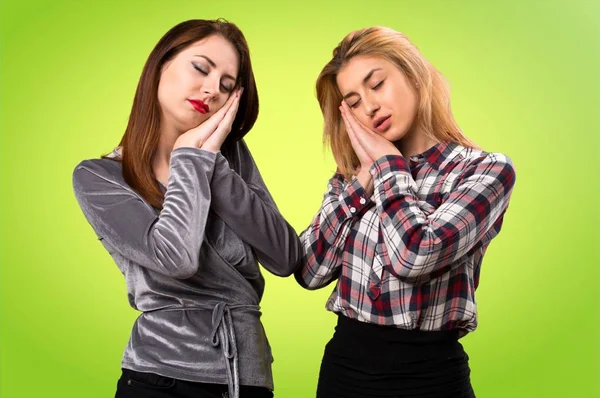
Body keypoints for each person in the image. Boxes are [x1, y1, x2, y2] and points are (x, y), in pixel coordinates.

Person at [72, 19, 301, 398]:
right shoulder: (100, 178)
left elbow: (285, 256)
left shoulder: (227, 157)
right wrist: (189, 160)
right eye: (200, 68)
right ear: (161, 65)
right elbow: (176, 259)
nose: (212, 90)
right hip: (159, 378)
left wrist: (211, 165)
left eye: (227, 86)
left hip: (247, 377)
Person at [296, 26, 516, 398]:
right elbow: (309, 270)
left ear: (413, 75)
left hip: (431, 378)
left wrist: (388, 166)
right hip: (344, 372)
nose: (369, 106)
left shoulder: (484, 170)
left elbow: (415, 256)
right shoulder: (350, 180)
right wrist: (365, 178)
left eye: (376, 84)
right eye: (352, 101)